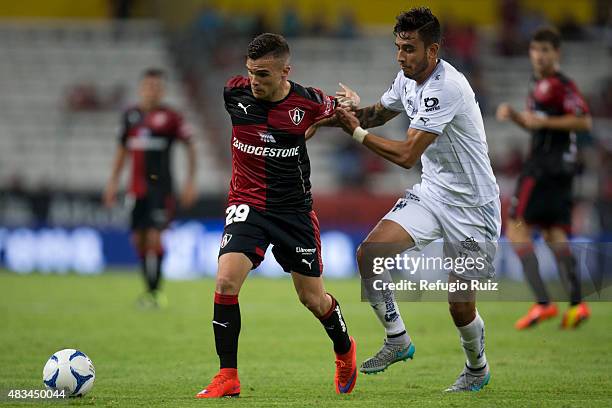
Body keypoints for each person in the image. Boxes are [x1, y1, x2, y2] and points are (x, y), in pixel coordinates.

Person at [311, 7, 500, 392]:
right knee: (369, 254)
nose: (401, 56)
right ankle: (397, 338)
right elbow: (376, 114)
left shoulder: (445, 88)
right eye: (398, 47)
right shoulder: (407, 79)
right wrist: (323, 116)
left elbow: (407, 155)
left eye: (409, 49)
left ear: (433, 51)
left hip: (473, 207)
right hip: (433, 194)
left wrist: (356, 133)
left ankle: (477, 368)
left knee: (459, 305)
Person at [195, 33, 357, 399]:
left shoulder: (309, 100)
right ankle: (228, 375)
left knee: (313, 300)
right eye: (251, 72)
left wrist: (349, 105)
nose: (255, 81)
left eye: (264, 74)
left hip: (293, 212)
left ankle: (344, 348)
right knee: (224, 283)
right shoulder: (233, 92)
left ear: (286, 71)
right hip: (247, 205)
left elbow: (337, 114)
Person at [496, 27, 592, 330]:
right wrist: (514, 116)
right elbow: (536, 124)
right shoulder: (538, 84)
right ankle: (577, 304)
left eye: (545, 51)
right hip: (562, 168)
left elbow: (584, 120)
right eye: (535, 50)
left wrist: (545, 121)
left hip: (543, 168)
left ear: (556, 54)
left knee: (516, 228)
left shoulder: (561, 85)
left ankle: (543, 303)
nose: (539, 56)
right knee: (553, 234)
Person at [103, 68, 197, 307]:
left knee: (155, 237)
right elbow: (122, 151)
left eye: (156, 87)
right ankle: (149, 291)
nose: (152, 91)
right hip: (136, 190)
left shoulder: (171, 117)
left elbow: (190, 147)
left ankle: (155, 292)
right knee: (139, 239)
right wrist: (113, 182)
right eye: (148, 86)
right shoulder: (130, 116)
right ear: (141, 88)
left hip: (161, 189)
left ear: (162, 90)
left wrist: (190, 182)